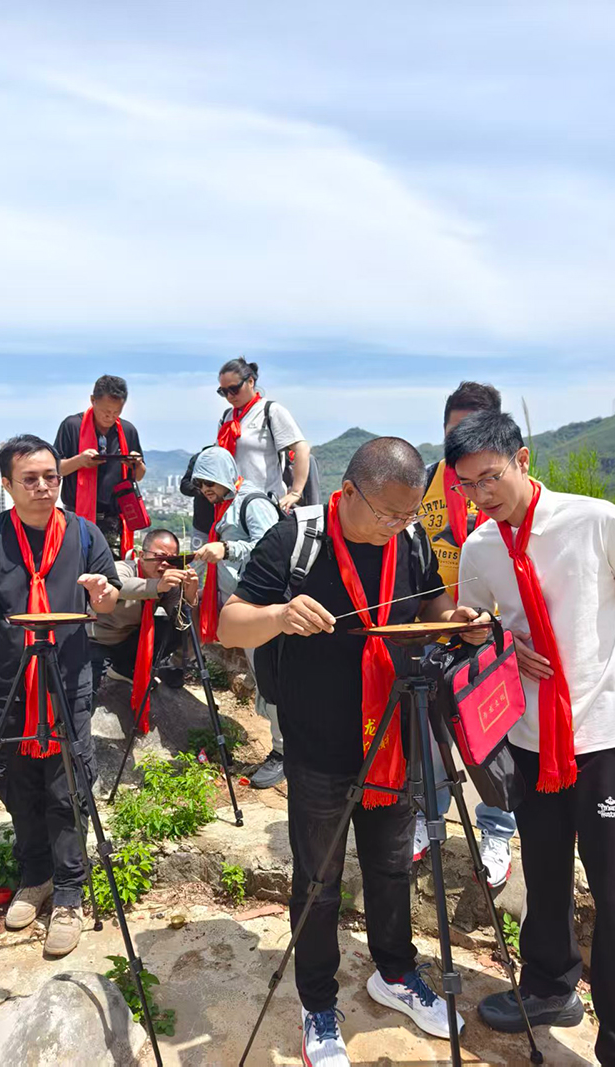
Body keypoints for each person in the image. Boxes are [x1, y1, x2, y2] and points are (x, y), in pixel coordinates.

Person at [218, 437, 490, 1066]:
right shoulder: (295, 540)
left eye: (405, 514)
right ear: (348, 491)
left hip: (394, 735)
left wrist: (456, 617)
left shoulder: (411, 540)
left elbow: (428, 602)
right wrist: (282, 614)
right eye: (386, 514)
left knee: (393, 868)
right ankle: (317, 1004)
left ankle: (394, 973)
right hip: (318, 744)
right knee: (319, 881)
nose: (396, 526)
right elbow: (230, 622)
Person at [447, 410, 615, 1067]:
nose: (482, 494)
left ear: (523, 457)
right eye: (467, 485)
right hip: (529, 736)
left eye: (491, 477)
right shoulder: (480, 547)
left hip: (602, 734)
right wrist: (496, 640)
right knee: (544, 875)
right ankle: (548, 986)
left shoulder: (595, 520)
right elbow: (481, 629)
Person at [0, 435, 120, 960]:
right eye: (30, 479)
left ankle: (68, 893)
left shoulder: (84, 535)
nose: (42, 488)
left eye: (51, 477)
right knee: (15, 782)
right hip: (12, 683)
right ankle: (34, 875)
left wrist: (104, 596)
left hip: (69, 679)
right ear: (7, 485)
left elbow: (108, 594)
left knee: (67, 784)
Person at [416, 380, 517, 888]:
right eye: (451, 433)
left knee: (489, 739)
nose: (459, 446)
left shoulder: (504, 485)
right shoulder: (428, 481)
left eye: (471, 434)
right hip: (438, 625)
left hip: (494, 636)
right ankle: (427, 816)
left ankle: (498, 828)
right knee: (428, 734)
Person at [191, 445, 284, 787]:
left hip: (261, 608)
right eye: (201, 486)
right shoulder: (228, 505)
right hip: (244, 609)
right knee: (264, 678)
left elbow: (273, 548)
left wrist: (228, 549)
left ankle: (283, 752)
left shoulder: (251, 503)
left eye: (208, 483)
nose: (205, 491)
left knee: (272, 680)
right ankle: (284, 747)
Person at [89, 529, 198, 717]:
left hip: (129, 640)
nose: (165, 564)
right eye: (159, 557)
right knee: (86, 692)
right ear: (142, 555)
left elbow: (179, 618)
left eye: (172, 559)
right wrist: (156, 587)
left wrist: (189, 595)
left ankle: (127, 670)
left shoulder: (166, 581)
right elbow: (119, 585)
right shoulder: (123, 568)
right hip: (98, 640)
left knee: (173, 627)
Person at [54, 374, 146, 556]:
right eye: (105, 411)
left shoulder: (127, 430)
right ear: (92, 400)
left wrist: (136, 464)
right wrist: (79, 461)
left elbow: (139, 476)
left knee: (113, 573)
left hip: (114, 519)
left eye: (116, 412)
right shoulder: (72, 426)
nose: (110, 417)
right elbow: (55, 469)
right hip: (77, 516)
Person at [216, 357, 311, 510]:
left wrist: (295, 493)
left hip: (267, 504)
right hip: (233, 507)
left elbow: (302, 448)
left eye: (234, 389)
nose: (229, 396)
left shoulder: (270, 411)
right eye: (224, 392)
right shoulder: (227, 417)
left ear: (251, 382)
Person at [179, 450, 215, 583]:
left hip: (225, 525)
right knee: (196, 567)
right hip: (202, 524)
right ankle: (191, 599)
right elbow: (184, 485)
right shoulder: (201, 458)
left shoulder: (237, 456)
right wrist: (201, 489)